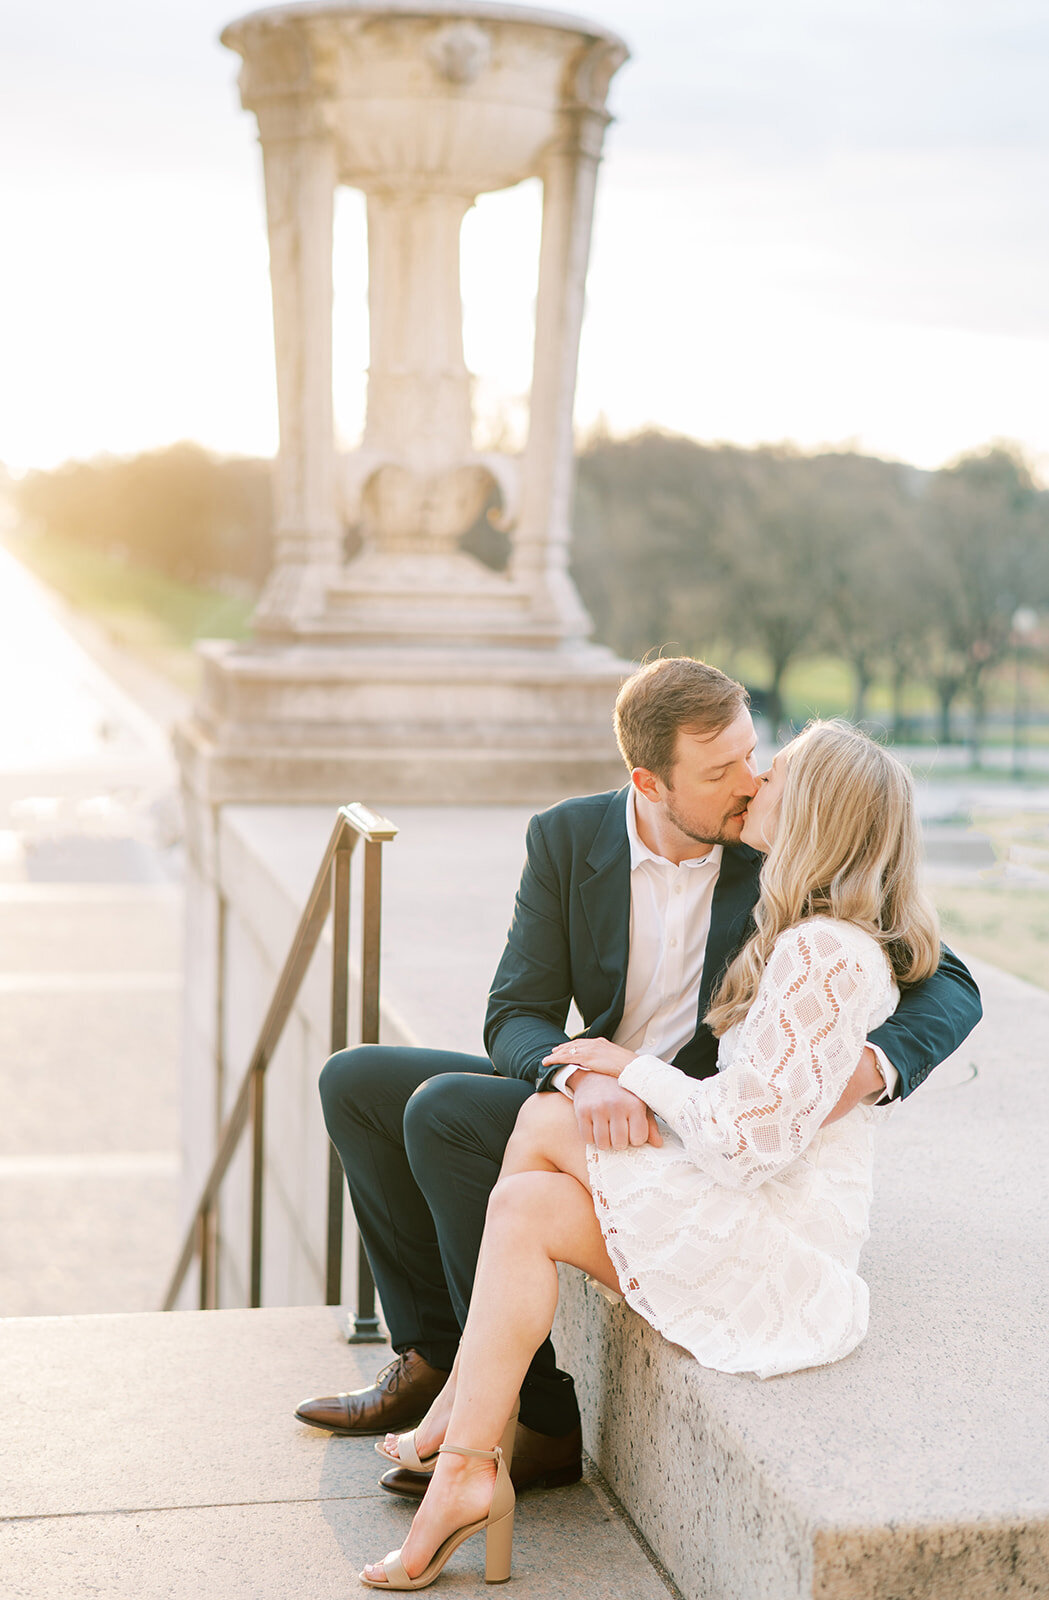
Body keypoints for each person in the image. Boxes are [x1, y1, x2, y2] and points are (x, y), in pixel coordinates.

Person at [300, 658, 980, 1502]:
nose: (751, 780)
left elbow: (947, 977)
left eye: (751, 753)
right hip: (603, 1093)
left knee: (445, 1114)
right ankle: (436, 1357)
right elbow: (515, 1012)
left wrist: (873, 1069)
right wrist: (582, 1082)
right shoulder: (568, 836)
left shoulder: (774, 842)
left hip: (692, 1119)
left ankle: (537, 1416)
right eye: (720, 770)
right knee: (356, 1081)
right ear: (648, 782)